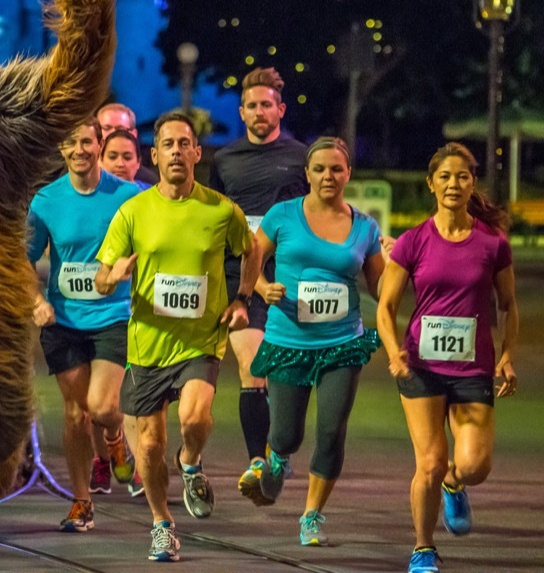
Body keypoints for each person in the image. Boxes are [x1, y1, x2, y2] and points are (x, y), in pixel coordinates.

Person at [95, 111, 259, 563]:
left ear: (196, 153)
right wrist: (115, 276)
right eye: (167, 144)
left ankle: (190, 462)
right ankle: (161, 523)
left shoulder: (221, 209)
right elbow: (101, 278)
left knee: (193, 416)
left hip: (200, 340)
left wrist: (242, 298)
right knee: (148, 445)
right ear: (156, 154)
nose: (176, 152)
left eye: (184, 144)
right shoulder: (134, 210)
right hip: (147, 344)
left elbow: (253, 249)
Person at [376, 142, 519, 573]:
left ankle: (456, 485)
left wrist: (508, 355)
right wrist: (393, 352)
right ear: (431, 184)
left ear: (472, 182)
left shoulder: (492, 243)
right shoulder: (412, 241)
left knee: (473, 465)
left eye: (462, 176)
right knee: (431, 462)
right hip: (420, 365)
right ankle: (423, 548)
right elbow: (385, 308)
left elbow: (508, 305)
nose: (453, 184)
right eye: (444, 176)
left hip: (473, 367)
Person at [243, 137, 385, 546]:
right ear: (306, 174)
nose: (328, 176)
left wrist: (410, 268)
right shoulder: (282, 215)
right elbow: (251, 257)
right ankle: (275, 458)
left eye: (336, 169)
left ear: (348, 174)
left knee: (331, 431)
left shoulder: (365, 227)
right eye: (319, 169)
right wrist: (263, 286)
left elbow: (381, 286)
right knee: (287, 434)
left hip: (342, 343)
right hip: (289, 340)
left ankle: (311, 515)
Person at [27, 119, 143, 532]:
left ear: (100, 145)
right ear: (61, 148)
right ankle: (81, 503)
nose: (79, 149)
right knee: (76, 415)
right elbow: (21, 262)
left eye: (86, 142)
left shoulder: (129, 196)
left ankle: (114, 438)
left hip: (112, 317)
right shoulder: (45, 201)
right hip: (63, 321)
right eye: (70, 142)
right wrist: (36, 300)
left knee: (103, 406)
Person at [207, 67, 309, 499]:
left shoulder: (303, 156)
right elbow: (214, 222)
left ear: (280, 109)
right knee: (252, 367)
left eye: (267, 104)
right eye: (252, 105)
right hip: (239, 282)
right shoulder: (224, 160)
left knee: (284, 374)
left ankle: (279, 453)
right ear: (242, 112)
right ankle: (258, 462)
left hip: (290, 282)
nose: (260, 111)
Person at [98, 102, 159, 185]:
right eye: (107, 128)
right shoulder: (82, 173)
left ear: (134, 134)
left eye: (120, 129)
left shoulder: (148, 181)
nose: (112, 133)